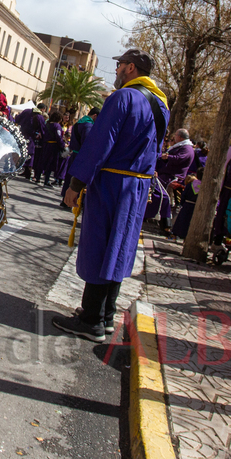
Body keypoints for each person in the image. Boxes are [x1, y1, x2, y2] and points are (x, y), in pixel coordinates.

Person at [54, 49, 168, 342]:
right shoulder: (161, 105)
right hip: (138, 187)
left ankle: (91, 319)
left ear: (129, 68)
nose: (116, 71)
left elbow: (100, 144)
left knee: (99, 245)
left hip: (113, 184)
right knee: (120, 248)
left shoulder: (123, 98)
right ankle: (106, 315)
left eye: (118, 66)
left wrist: (76, 184)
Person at [150, 128, 194, 232]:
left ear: (180, 137)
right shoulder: (181, 146)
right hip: (165, 173)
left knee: (161, 195)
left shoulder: (187, 148)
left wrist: (168, 157)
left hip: (173, 176)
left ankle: (165, 222)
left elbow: (181, 158)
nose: (174, 137)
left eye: (175, 135)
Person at [60, 107, 99, 205]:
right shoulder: (88, 125)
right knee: (76, 179)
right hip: (81, 156)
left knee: (69, 178)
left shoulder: (79, 123)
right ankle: (71, 202)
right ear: (95, 116)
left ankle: (65, 199)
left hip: (74, 154)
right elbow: (87, 143)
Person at [36, 108, 65, 187]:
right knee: (50, 163)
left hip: (45, 145)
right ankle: (46, 180)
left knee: (42, 161)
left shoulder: (47, 124)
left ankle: (37, 177)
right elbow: (58, 137)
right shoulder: (57, 126)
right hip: (53, 147)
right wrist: (62, 145)